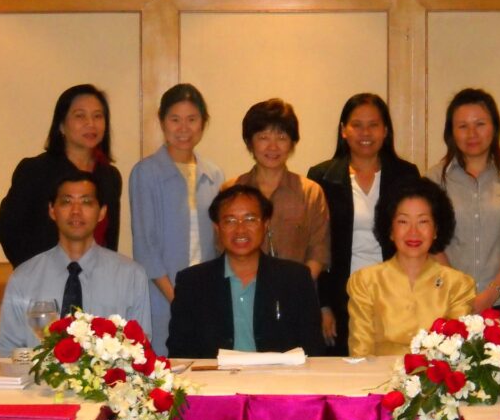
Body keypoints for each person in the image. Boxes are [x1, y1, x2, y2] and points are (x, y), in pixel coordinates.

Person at [308, 93, 420, 356]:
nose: (365, 133)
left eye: (373, 125)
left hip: (397, 294)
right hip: (342, 297)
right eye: (357, 125)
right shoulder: (322, 176)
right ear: (343, 130)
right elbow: (317, 245)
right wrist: (323, 305)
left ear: (385, 130)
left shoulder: (406, 174)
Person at [0, 171, 151, 357]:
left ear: (102, 212)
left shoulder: (131, 276)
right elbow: (9, 353)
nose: (76, 211)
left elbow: (139, 351)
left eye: (86, 202)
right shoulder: (24, 278)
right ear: (52, 210)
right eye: (66, 202)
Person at [167, 185, 324, 359]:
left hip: (279, 375)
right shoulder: (192, 282)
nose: (240, 230)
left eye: (250, 219)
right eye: (230, 221)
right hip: (214, 375)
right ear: (217, 228)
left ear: (265, 224)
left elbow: (312, 347)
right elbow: (179, 352)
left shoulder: (295, 278)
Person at [129, 83, 224, 355]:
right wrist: (179, 300)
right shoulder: (146, 173)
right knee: (165, 366)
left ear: (203, 123)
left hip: (207, 297)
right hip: (161, 296)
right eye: (175, 119)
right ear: (162, 122)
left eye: (192, 119)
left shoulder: (214, 174)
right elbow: (145, 247)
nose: (184, 128)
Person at [426, 88, 500, 312]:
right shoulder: (434, 179)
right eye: (462, 126)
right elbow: (432, 242)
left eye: (480, 124)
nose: (472, 133)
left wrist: (491, 294)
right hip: (447, 299)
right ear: (451, 132)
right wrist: (459, 291)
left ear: (494, 127)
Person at [0, 84, 122, 268]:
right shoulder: (34, 170)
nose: (91, 124)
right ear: (61, 125)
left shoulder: (110, 176)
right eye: (80, 116)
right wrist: (35, 272)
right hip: (44, 278)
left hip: (96, 278)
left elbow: (109, 240)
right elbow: (7, 229)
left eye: (98, 116)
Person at [347, 177, 475, 357]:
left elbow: (456, 353)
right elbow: (360, 351)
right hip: (377, 374)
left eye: (423, 221)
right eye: (403, 221)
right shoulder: (365, 281)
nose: (413, 232)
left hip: (435, 374)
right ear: (390, 230)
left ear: (436, 230)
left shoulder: (459, 285)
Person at [222, 98, 330, 280]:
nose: (273, 147)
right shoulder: (231, 190)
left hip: (296, 289)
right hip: (243, 289)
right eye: (263, 137)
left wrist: (296, 288)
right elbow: (222, 247)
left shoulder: (311, 192)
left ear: (292, 143)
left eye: (281, 138)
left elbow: (319, 251)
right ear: (249, 142)